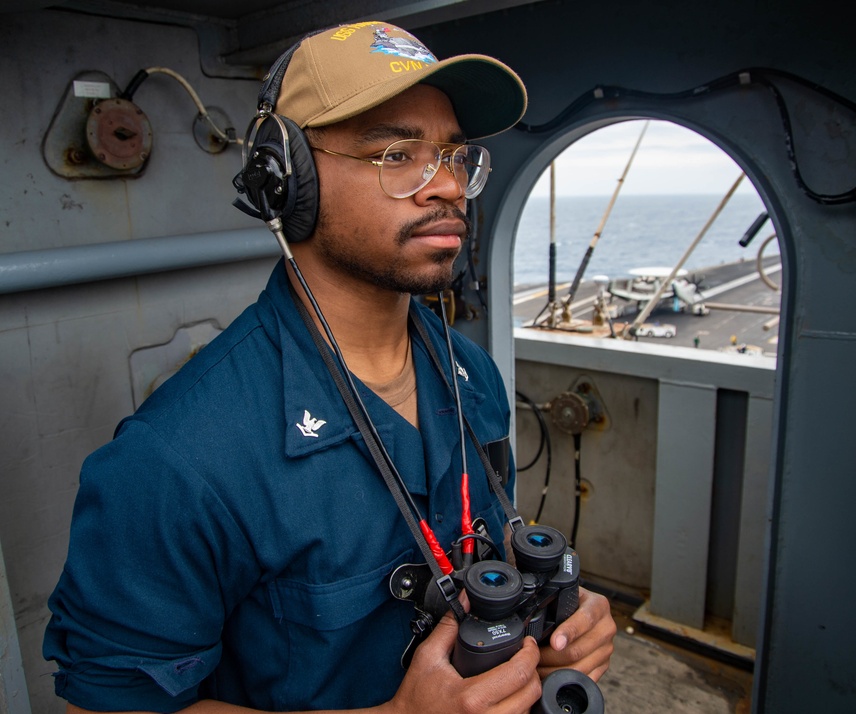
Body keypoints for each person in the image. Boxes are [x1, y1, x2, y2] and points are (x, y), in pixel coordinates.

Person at [43, 20, 616, 714]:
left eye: (454, 156)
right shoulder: (174, 462)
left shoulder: (472, 377)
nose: (448, 189)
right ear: (288, 176)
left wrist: (550, 613)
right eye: (397, 153)